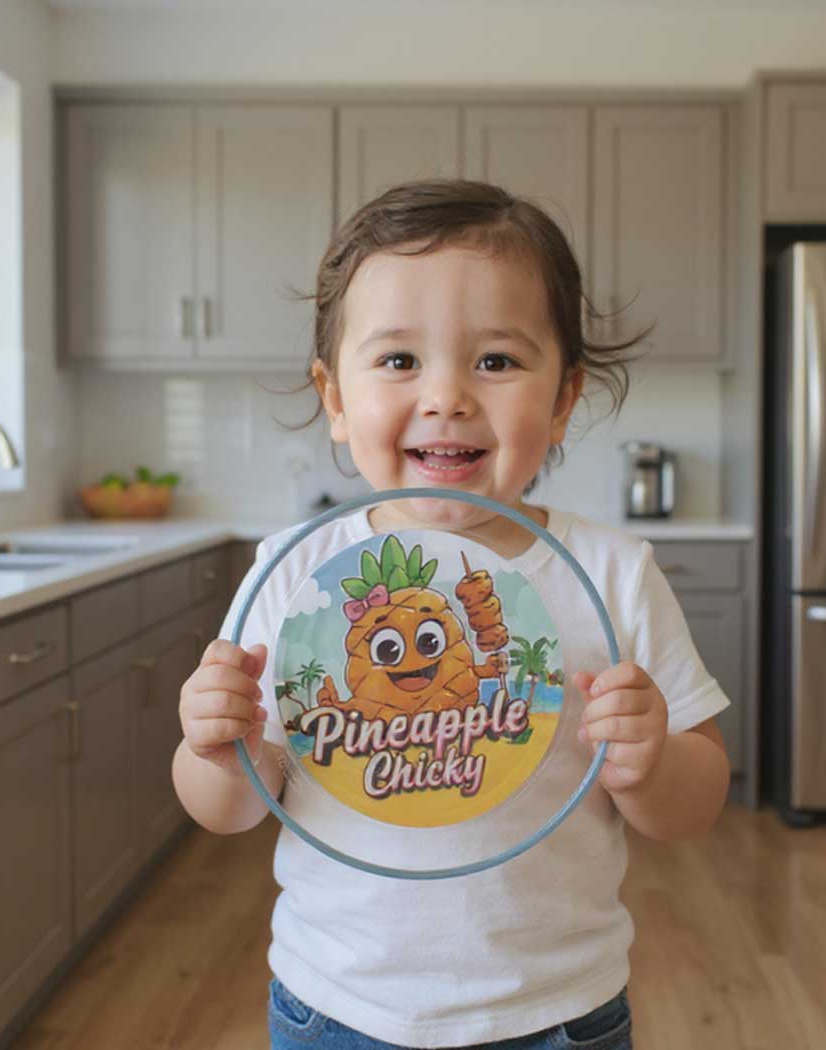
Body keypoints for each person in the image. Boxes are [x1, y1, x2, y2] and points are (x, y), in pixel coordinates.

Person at [172, 179, 731, 1050]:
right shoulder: (296, 575)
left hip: (557, 1012)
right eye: (399, 361)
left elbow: (693, 805)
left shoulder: (612, 575)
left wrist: (654, 760)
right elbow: (233, 807)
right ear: (335, 398)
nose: (447, 397)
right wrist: (217, 748)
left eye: (497, 361)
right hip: (337, 1007)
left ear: (562, 401)